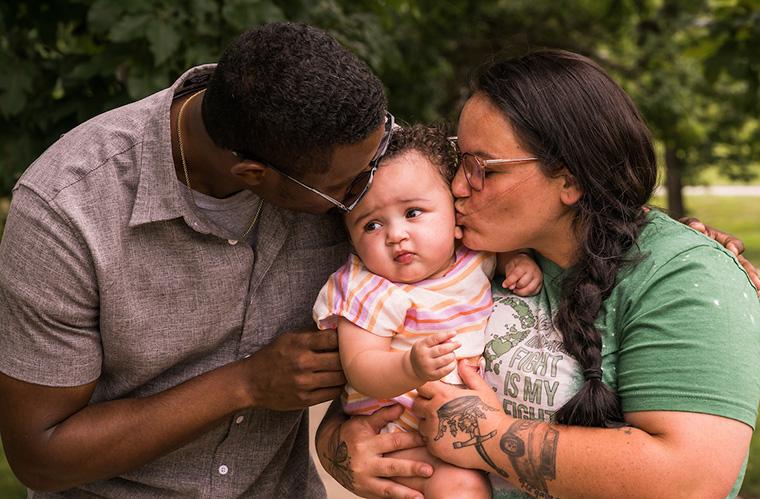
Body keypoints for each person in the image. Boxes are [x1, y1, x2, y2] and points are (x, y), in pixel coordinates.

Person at [316, 49, 760, 499]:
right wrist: (340, 446)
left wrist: (488, 436)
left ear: (570, 181)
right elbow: (365, 388)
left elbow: (692, 481)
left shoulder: (683, 278)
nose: (455, 186)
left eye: (481, 168)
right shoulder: (466, 253)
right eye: (457, 159)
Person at [0, 22, 392, 498]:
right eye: (344, 190)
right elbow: (41, 456)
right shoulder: (66, 211)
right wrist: (246, 384)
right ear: (254, 174)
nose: (367, 190)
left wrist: (340, 429)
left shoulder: (341, 145)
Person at [312, 125, 543, 498]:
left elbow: (502, 255)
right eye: (371, 224)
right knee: (462, 489)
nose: (395, 234)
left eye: (413, 212)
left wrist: (518, 260)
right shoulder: (369, 288)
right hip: (403, 429)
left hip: (460, 423)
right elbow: (361, 366)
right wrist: (410, 368)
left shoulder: (474, 257)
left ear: (455, 216)